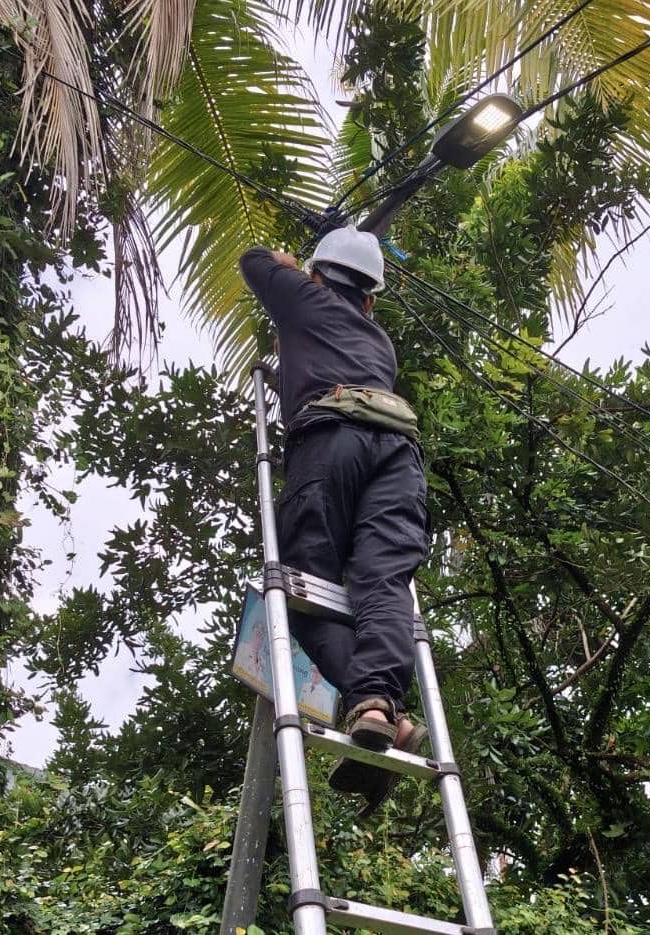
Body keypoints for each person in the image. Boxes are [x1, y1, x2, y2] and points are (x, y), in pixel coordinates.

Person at [239, 226, 429, 800]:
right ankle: (378, 705)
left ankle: (369, 704)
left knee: (305, 591)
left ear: (320, 277)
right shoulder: (379, 341)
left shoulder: (306, 298)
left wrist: (285, 262)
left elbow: (253, 261)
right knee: (383, 581)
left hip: (334, 440)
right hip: (399, 453)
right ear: (370, 298)